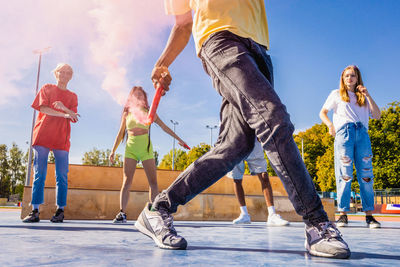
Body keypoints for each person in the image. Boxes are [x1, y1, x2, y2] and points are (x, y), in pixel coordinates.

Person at [134, 0, 350, 258]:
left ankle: (159, 209)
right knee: (273, 119)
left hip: (258, 50)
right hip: (219, 41)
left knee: (236, 146)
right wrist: (162, 62)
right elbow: (183, 23)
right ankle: (317, 225)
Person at [109, 86, 188, 223]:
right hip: (130, 149)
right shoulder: (127, 114)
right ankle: (122, 213)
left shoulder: (150, 112)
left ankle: (154, 213)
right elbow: (121, 133)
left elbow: (164, 127)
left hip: (146, 150)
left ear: (145, 99)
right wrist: (113, 151)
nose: (138, 98)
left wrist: (179, 139)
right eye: (136, 96)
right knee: (127, 181)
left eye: (141, 96)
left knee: (153, 182)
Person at [319, 65, 381, 229]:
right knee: (344, 174)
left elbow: (377, 115)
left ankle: (369, 216)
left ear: (357, 78)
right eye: (347, 76)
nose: (350, 78)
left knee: (366, 175)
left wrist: (368, 95)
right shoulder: (336, 94)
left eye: (353, 76)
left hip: (362, 134)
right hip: (344, 134)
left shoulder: (363, 97)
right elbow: (322, 112)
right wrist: (330, 125)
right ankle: (343, 215)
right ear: (343, 78)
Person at [22, 63, 79, 223]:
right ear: (56, 73)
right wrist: (64, 113)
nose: (65, 74)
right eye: (62, 71)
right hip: (43, 136)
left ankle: (60, 210)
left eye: (68, 72)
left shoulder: (73, 96)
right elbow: (43, 108)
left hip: (61, 139)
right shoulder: (47, 88)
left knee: (62, 175)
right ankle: (34, 211)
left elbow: (74, 117)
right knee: (39, 173)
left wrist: (64, 108)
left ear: (71, 76)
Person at [228, 138, 289, 226]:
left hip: (253, 143)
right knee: (236, 179)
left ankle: (272, 214)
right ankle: (244, 214)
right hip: (234, 143)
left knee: (264, 176)